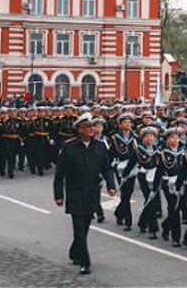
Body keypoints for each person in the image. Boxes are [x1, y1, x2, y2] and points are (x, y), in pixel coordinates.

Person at [53, 112, 116, 276]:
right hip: (74, 192)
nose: (91, 129)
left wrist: (111, 186)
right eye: (87, 127)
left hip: (92, 192)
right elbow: (60, 174)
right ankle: (85, 262)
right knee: (78, 228)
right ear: (79, 129)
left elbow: (107, 168)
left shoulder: (100, 146)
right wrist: (58, 194)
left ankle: (75, 251)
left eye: (92, 126)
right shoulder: (69, 146)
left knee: (85, 226)